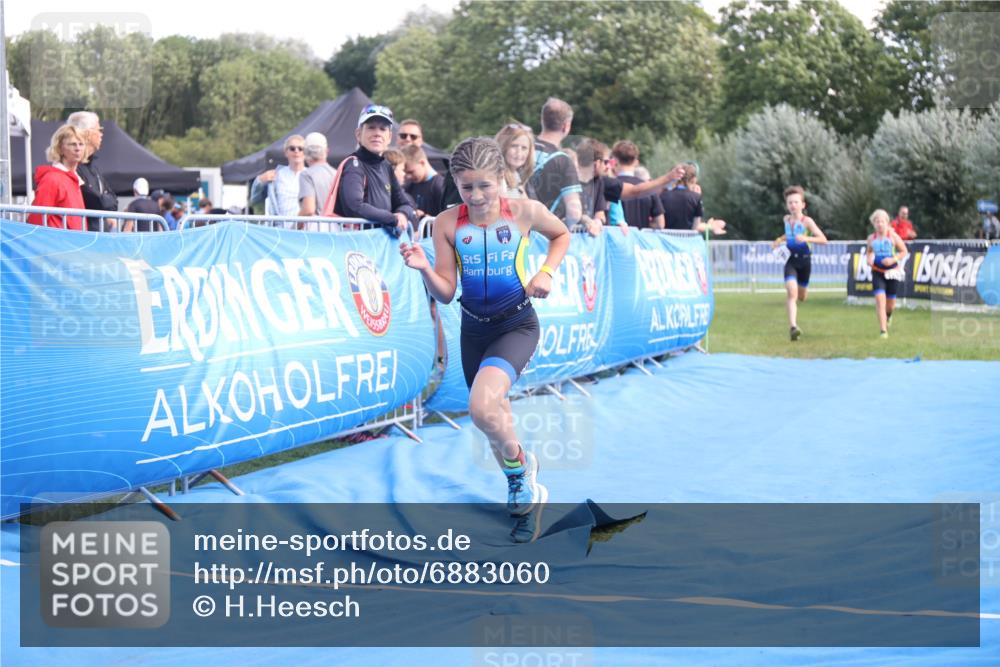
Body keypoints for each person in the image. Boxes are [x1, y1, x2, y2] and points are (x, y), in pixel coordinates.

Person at [399, 137, 570, 542]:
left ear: (501, 179)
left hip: (516, 326)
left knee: (480, 408)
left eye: (485, 186)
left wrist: (547, 271)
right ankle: (525, 499)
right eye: (466, 187)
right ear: (455, 183)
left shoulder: (525, 212)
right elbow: (445, 292)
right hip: (473, 329)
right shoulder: (446, 223)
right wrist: (424, 267)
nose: (476, 196)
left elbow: (561, 235)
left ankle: (523, 470)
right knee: (497, 422)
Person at [334, 104, 414, 235]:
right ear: (358, 134)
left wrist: (402, 214)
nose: (377, 133)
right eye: (371, 128)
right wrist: (392, 219)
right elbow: (354, 206)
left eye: (383, 129)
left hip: (381, 245)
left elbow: (405, 204)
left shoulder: (386, 166)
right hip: (357, 245)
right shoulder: (354, 165)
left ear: (389, 137)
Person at [771, 185, 828, 341]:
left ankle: (802, 293)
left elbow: (823, 240)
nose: (793, 205)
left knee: (801, 296)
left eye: (796, 202)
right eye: (790, 202)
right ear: (787, 205)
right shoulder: (786, 220)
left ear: (803, 205)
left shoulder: (807, 221)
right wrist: (779, 240)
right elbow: (787, 235)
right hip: (790, 261)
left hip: (805, 262)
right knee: (791, 293)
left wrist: (807, 238)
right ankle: (793, 327)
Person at [530, 97, 583, 227]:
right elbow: (574, 212)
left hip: (510, 230)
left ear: (542, 120)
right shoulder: (564, 161)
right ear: (566, 126)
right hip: (541, 236)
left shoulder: (519, 148)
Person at [28, 124, 87, 230]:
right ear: (60, 148)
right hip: (56, 243)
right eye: (72, 144)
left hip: (73, 242)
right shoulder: (52, 179)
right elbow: (36, 219)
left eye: (81, 144)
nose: (78, 148)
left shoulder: (74, 179)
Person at [67, 111, 118, 231]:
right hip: (84, 237)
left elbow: (114, 201)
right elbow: (94, 202)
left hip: (98, 236)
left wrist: (102, 199)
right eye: (99, 130)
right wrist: (103, 199)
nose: (101, 134)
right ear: (88, 134)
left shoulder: (94, 168)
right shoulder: (73, 167)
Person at [867, 208, 908, 339]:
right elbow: (869, 251)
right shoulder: (871, 238)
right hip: (877, 272)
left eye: (882, 221)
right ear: (874, 224)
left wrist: (893, 259)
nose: (880, 224)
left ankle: (888, 315)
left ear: (887, 222)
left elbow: (904, 251)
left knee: (890, 304)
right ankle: (883, 331)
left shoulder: (893, 237)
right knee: (880, 301)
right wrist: (869, 259)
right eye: (877, 222)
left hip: (892, 272)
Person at [250, 135, 307, 222]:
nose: (296, 151)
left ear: (305, 152)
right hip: (281, 230)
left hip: (305, 230)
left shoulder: (310, 175)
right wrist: (259, 180)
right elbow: (255, 199)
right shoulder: (277, 174)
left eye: (300, 148)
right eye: (292, 148)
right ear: (285, 152)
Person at [660, 164, 726, 234]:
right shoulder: (696, 198)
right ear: (693, 179)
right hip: (687, 241)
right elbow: (695, 227)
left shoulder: (663, 196)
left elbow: (660, 223)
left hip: (665, 241)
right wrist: (710, 226)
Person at [612, 140, 664, 229]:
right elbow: (660, 224)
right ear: (636, 162)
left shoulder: (608, 186)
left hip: (616, 240)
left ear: (615, 160)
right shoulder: (648, 188)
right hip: (640, 240)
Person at [297, 132, 337, 229]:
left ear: (305, 153)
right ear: (326, 151)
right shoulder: (337, 173)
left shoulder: (306, 175)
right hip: (337, 229)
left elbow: (308, 209)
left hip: (316, 230)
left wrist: (295, 226)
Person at [494, 123, 536, 200]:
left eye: (524, 148)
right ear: (503, 146)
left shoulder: (516, 174)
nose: (519, 152)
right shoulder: (498, 176)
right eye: (513, 146)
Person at [402, 144, 446, 218]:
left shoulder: (439, 185)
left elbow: (449, 219)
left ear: (422, 163)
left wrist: (425, 218)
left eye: (411, 172)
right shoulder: (409, 185)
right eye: (405, 172)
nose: (408, 176)